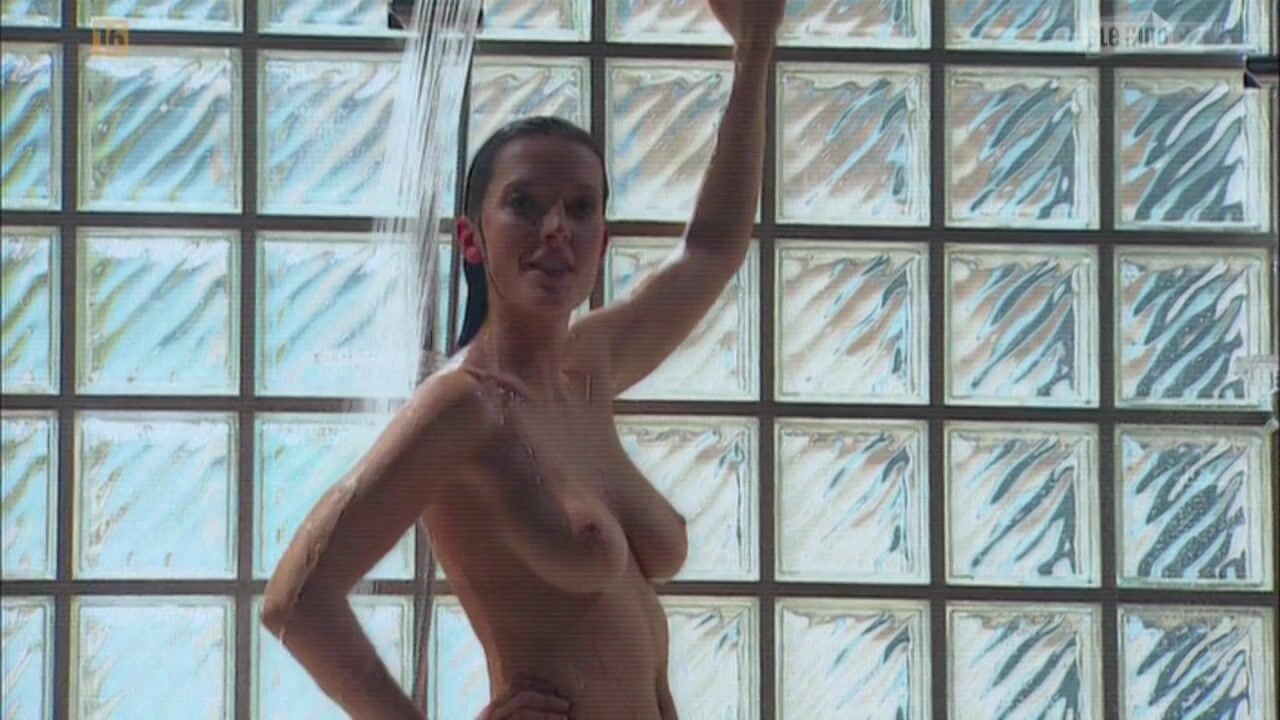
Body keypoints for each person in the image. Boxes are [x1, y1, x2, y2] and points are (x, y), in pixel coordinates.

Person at [260, 0, 783, 717]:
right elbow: (297, 600)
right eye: (525, 204)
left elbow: (712, 249)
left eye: (580, 208)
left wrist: (755, 48)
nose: (556, 228)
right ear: (471, 240)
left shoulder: (589, 367)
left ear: (602, 242)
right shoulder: (463, 406)